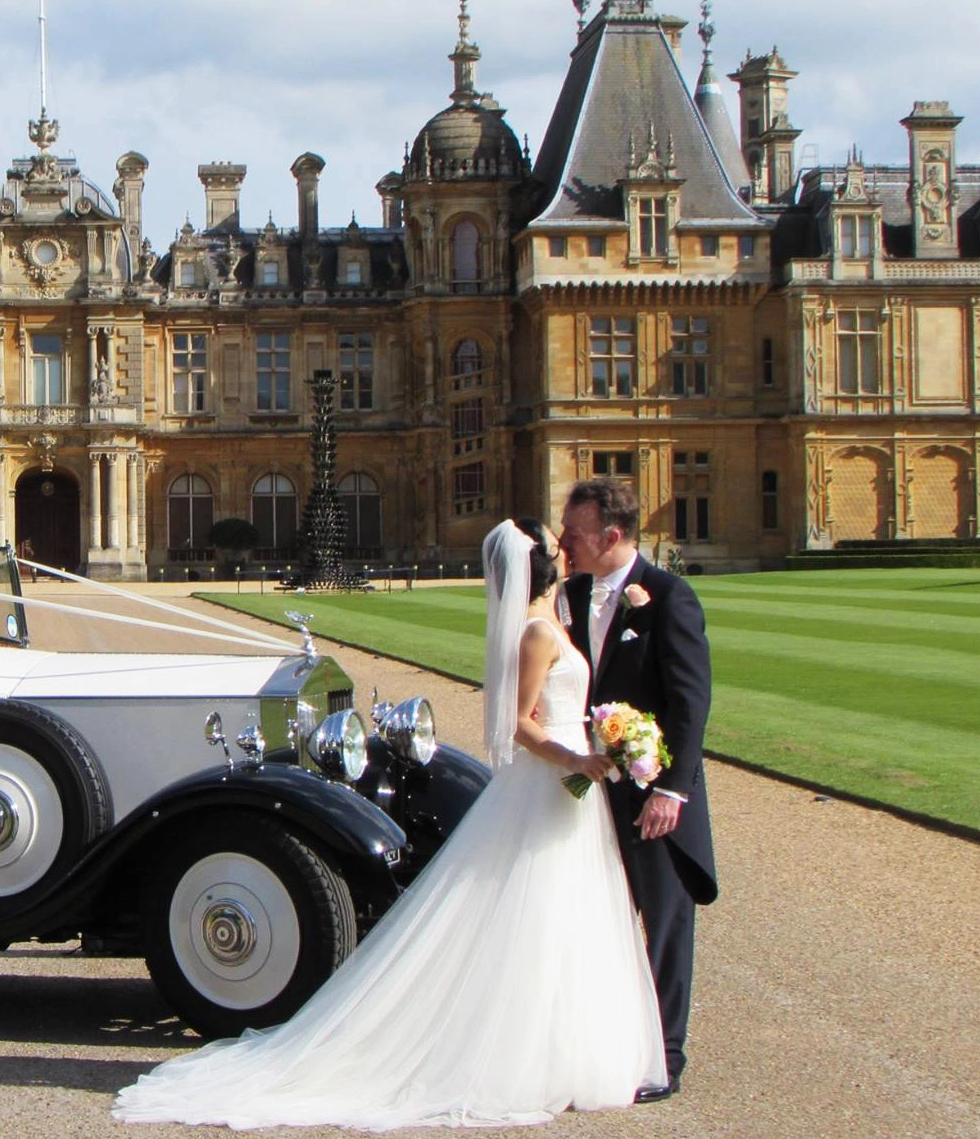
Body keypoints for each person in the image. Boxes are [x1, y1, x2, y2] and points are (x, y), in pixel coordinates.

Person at [113, 519, 665, 1130]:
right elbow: (519, 725)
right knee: (535, 915)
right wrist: (581, 757)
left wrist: (610, 734)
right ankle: (529, 1056)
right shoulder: (537, 632)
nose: (570, 544)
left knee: (563, 916)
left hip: (567, 792)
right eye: (559, 543)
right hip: (552, 781)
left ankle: (565, 1050)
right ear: (545, 565)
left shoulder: (557, 616)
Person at [557, 479, 716, 1102]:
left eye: (574, 532)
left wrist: (672, 792)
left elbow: (690, 703)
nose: (566, 541)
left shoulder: (670, 597)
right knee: (600, 918)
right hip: (589, 790)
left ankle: (666, 1057)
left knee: (665, 923)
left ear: (611, 536)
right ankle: (611, 1045)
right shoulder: (567, 595)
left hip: (652, 791)